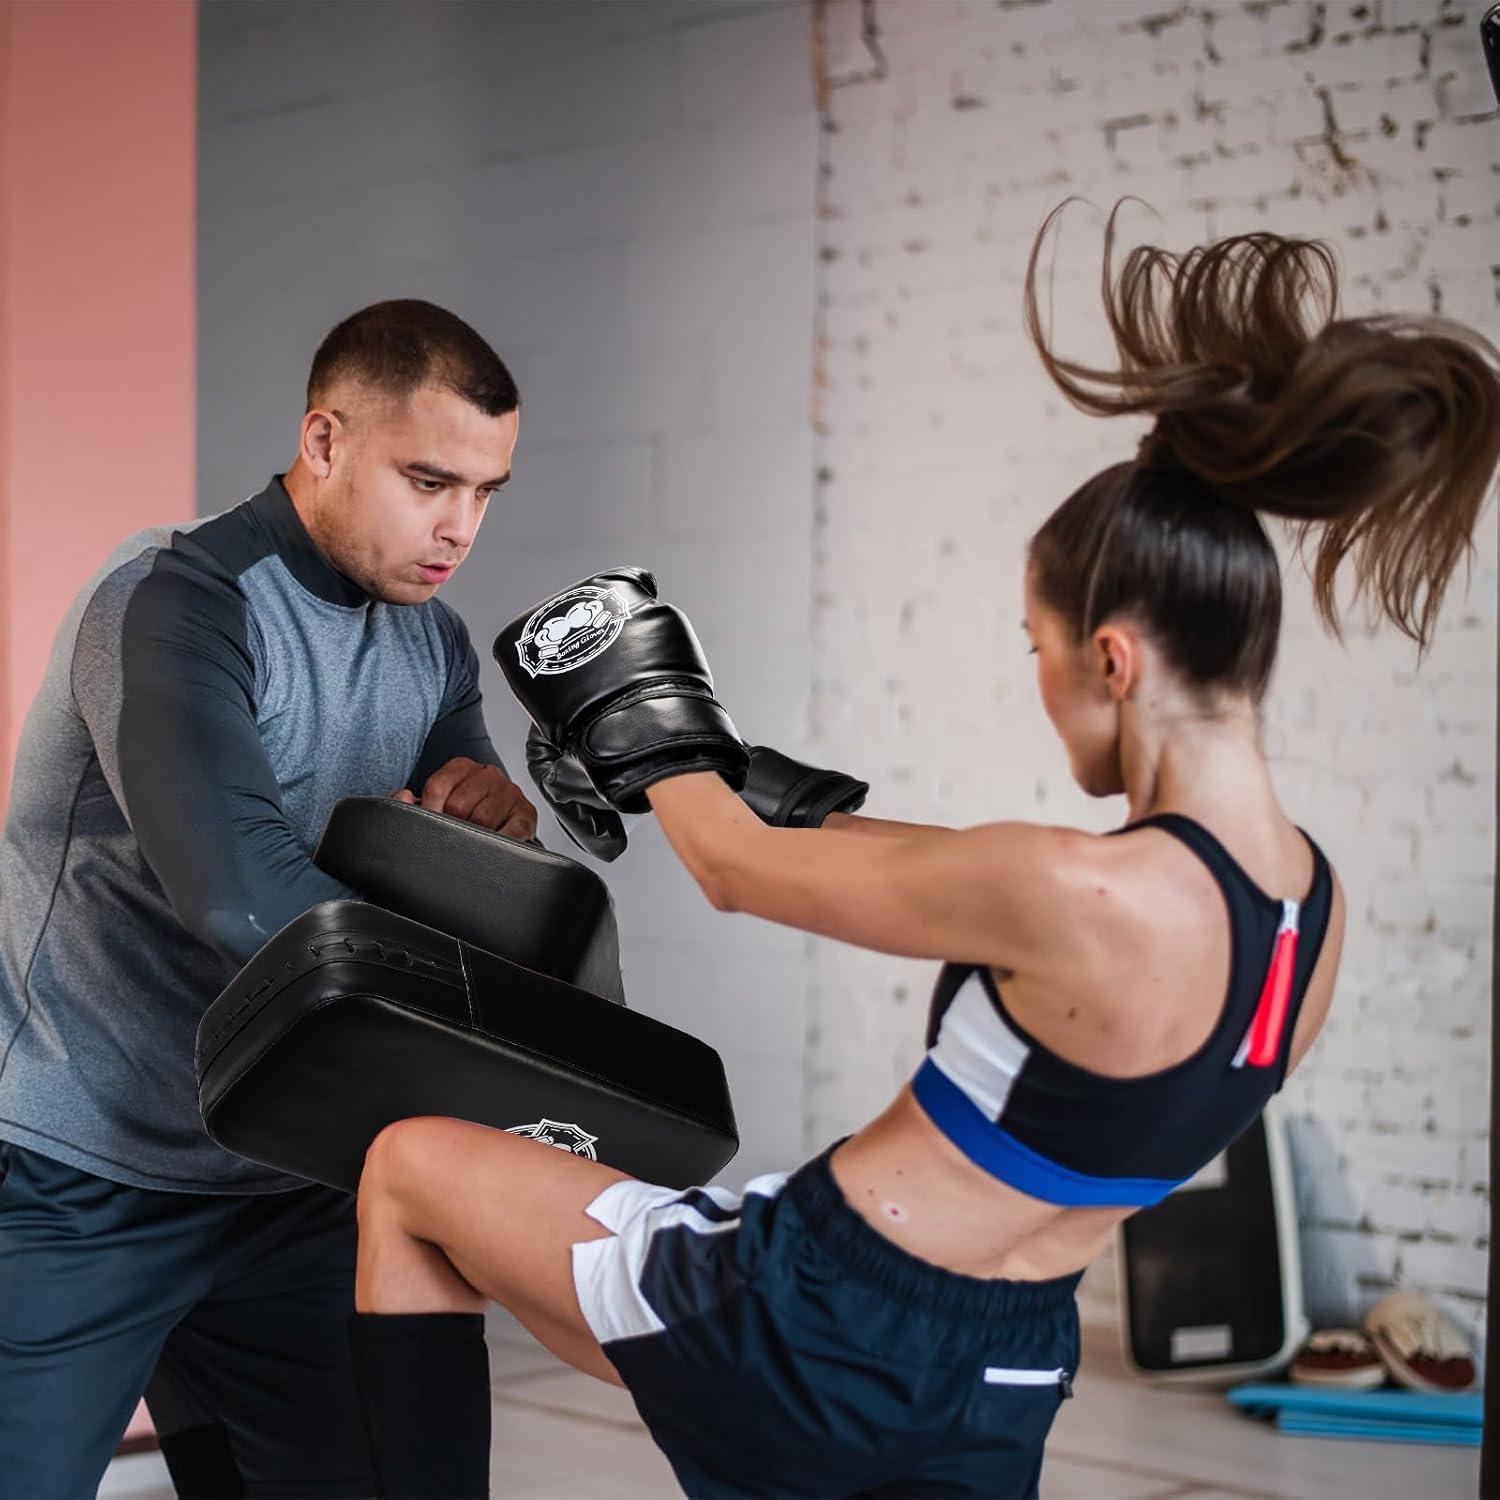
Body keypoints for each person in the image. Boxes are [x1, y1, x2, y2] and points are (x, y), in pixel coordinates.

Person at [347, 211, 1500, 1499]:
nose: (1044, 686)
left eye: (1039, 651)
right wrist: (731, 768)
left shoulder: (1075, 891)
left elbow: (729, 870)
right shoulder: (1307, 908)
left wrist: (641, 727)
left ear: (1112, 659)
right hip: (1005, 1365)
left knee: (406, 1167)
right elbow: (949, 867)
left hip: (811, 1315)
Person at [0, 300, 535, 1497]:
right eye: (429, 479)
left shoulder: (431, 641)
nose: (458, 527)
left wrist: (498, 824)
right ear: (327, 440)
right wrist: (510, 1067)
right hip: (81, 1173)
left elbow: (459, 848)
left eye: (487, 491)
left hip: (287, 1172)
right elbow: (242, 899)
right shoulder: (176, 600)